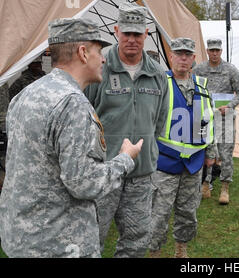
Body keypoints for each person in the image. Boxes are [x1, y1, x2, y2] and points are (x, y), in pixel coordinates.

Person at [0, 18, 143, 258]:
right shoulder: (72, 104)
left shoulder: (25, 94)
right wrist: (125, 159)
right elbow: (84, 183)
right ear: (83, 53)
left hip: (21, 237)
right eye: (99, 51)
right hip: (59, 243)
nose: (105, 58)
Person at [84, 3, 169, 258]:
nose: (132, 40)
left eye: (137, 34)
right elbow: (84, 116)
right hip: (103, 172)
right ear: (116, 30)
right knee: (91, 237)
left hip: (140, 174)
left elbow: (159, 122)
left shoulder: (157, 74)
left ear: (146, 34)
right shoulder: (98, 67)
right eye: (126, 34)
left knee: (136, 240)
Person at [148, 38, 216, 258]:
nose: (183, 58)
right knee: (159, 213)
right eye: (179, 54)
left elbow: (209, 120)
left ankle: (181, 250)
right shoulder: (160, 83)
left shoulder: (202, 86)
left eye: (188, 54)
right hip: (164, 162)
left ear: (194, 58)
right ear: (171, 57)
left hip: (193, 163)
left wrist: (211, 153)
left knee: (188, 212)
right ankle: (155, 252)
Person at [193, 38, 239, 205]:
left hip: (225, 119)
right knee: (205, 151)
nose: (214, 53)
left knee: (225, 153)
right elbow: (191, 89)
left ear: (221, 51)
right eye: (211, 50)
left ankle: (224, 187)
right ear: (207, 51)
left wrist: (229, 106)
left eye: (217, 50)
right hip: (206, 119)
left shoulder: (230, 70)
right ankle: (206, 183)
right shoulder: (199, 69)